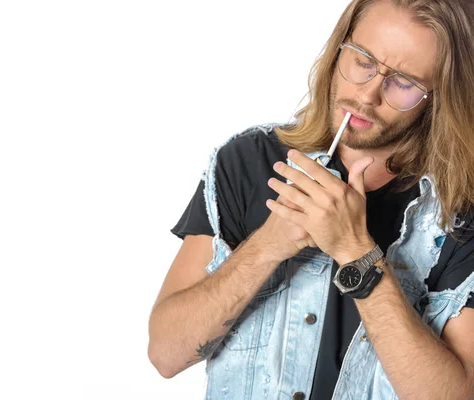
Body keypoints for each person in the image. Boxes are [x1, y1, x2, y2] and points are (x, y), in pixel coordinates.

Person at [148, 0, 474, 399]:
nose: (368, 94)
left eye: (403, 82)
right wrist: (269, 244)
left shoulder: (460, 210)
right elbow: (165, 354)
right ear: (341, 47)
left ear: (439, 96)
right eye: (363, 60)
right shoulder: (245, 161)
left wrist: (357, 254)